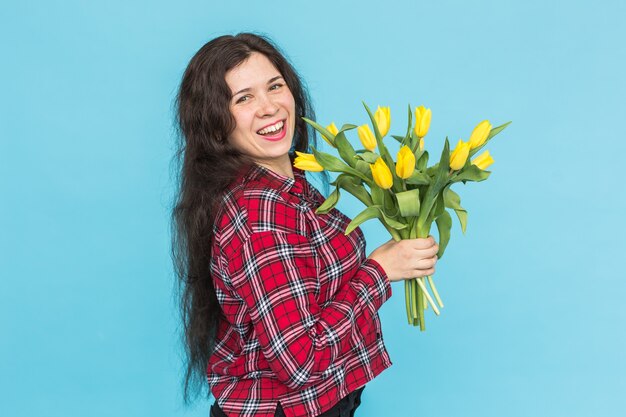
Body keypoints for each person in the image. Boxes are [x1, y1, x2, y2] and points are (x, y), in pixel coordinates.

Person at [171, 32, 439, 417]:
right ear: (216, 125)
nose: (269, 107)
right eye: (243, 98)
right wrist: (380, 271)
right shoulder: (259, 216)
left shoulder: (292, 186)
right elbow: (301, 361)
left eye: (275, 86)